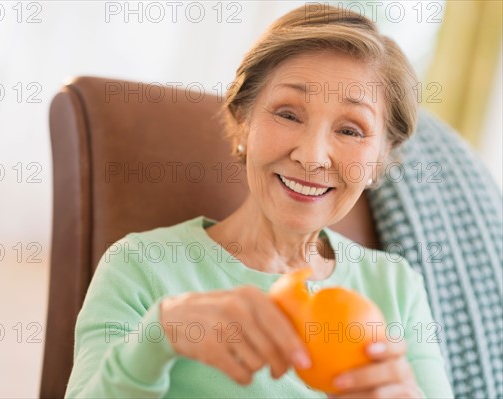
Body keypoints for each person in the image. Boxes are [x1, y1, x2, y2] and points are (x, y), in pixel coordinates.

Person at [65, 4, 454, 398]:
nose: (312, 156)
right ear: (242, 121)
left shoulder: (396, 285)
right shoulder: (140, 266)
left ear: (380, 159)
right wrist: (159, 337)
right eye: (288, 114)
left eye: (351, 131)